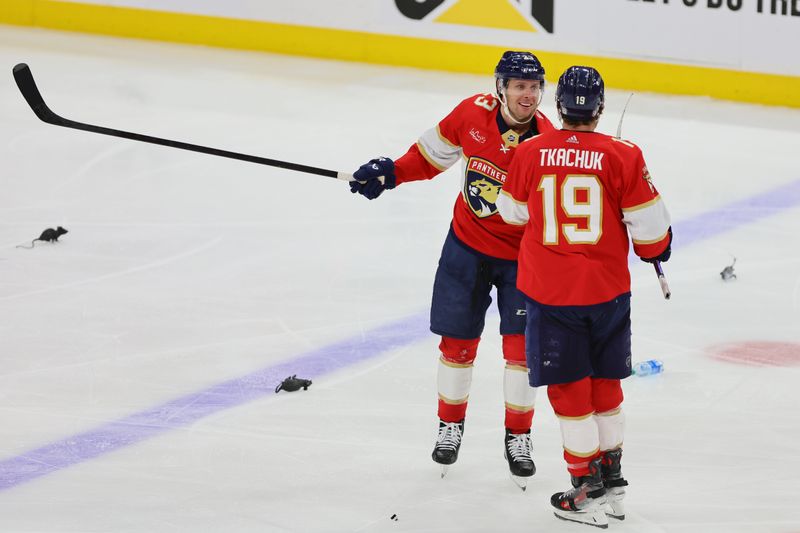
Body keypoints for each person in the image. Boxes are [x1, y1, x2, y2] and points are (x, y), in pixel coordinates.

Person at [350, 51, 555, 488]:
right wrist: (390, 173)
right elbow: (428, 157)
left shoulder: (546, 141)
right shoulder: (470, 115)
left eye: (535, 86)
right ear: (500, 87)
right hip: (466, 248)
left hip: (523, 259)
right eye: (520, 86)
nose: (529, 94)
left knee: (521, 352)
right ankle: (450, 425)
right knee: (457, 344)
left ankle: (518, 435)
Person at [497, 66, 672, 527]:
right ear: (599, 108)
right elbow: (653, 233)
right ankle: (611, 476)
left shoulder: (531, 151)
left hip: (552, 295)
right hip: (608, 294)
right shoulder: (624, 155)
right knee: (606, 383)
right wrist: (656, 251)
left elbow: (512, 213)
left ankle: (585, 486)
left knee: (569, 389)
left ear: (559, 107)